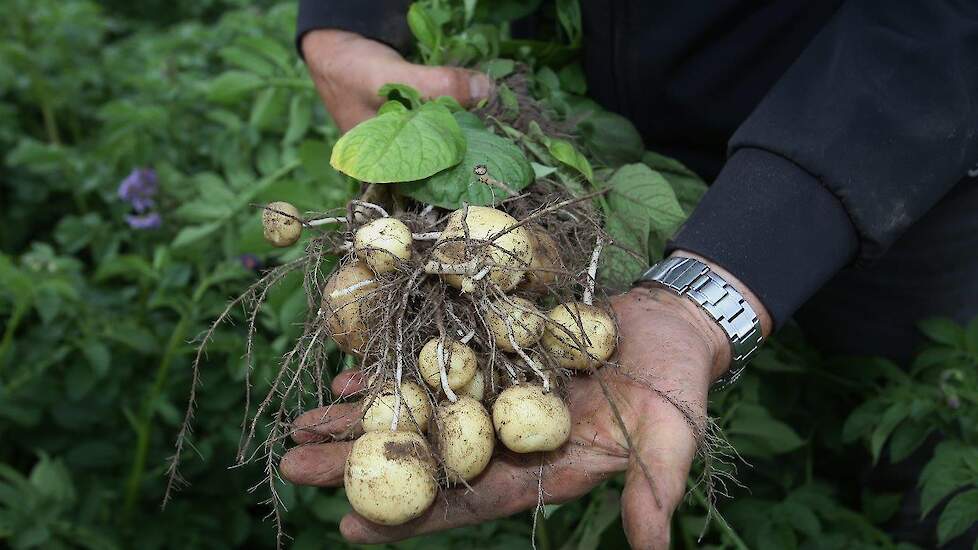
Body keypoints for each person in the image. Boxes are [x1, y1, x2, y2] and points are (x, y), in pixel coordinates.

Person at [279, 1, 978, 548]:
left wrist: (731, 275)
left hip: (893, 152)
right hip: (609, 105)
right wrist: (350, 19)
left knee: (915, 402)